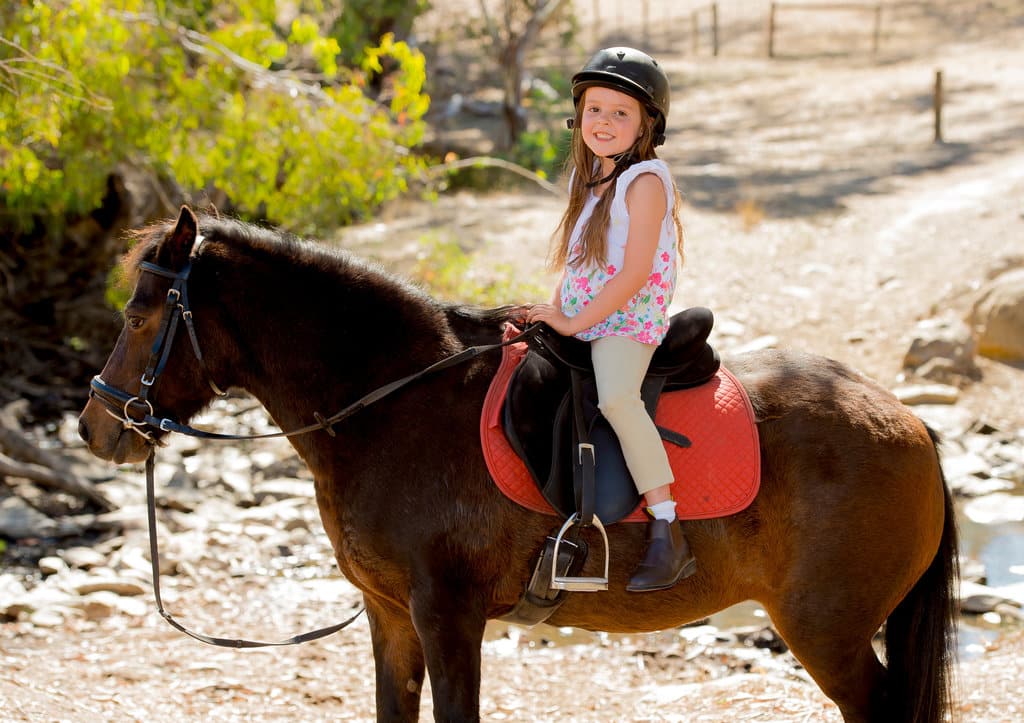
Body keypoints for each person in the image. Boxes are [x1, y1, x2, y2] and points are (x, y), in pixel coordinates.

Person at [525, 47, 695, 592]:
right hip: (586, 313)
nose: (604, 121)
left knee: (617, 396)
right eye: (595, 109)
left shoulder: (645, 181)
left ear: (646, 125)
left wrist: (574, 325)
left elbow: (635, 273)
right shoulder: (589, 179)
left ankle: (667, 526)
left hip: (626, 319)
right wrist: (554, 312)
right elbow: (578, 263)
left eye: (621, 113)